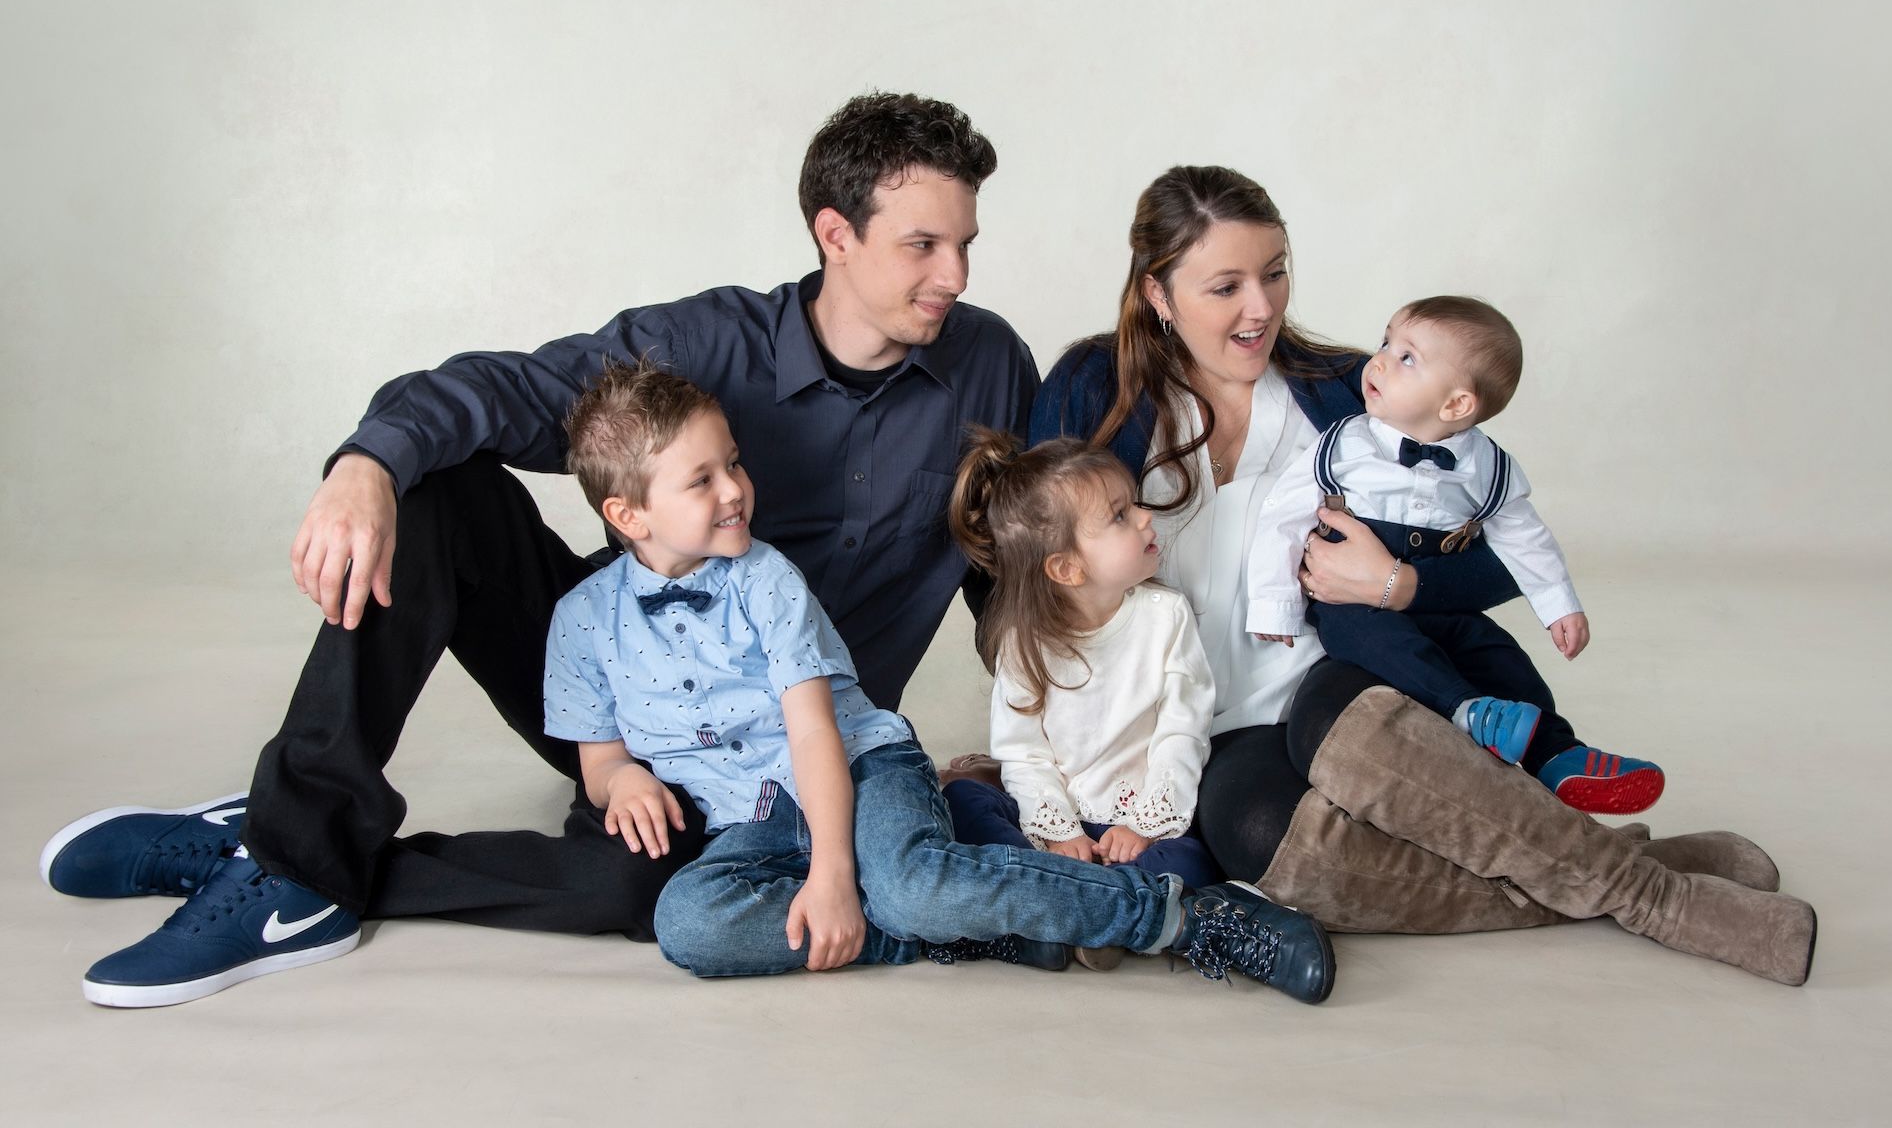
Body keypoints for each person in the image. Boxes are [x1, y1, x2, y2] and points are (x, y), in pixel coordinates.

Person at [43, 92, 1044, 1008]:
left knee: (635, 886)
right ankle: (293, 849)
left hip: (784, 753)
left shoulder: (989, 362)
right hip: (625, 686)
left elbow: (1011, 575)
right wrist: (365, 464)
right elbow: (500, 389)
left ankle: (285, 849)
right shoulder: (703, 345)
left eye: (964, 244)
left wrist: (1050, 763)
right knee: (439, 483)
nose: (953, 275)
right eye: (923, 245)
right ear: (835, 234)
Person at [1023, 164, 1816, 985]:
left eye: (1276, 271)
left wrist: (1396, 587)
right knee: (1253, 832)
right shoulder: (1093, 392)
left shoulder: (1350, 395)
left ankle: (1661, 905)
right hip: (1193, 730)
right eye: (1225, 286)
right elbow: (1032, 568)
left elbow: (1501, 551)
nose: (1262, 307)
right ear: (1159, 294)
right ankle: (1630, 872)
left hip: (1337, 680)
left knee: (1346, 723)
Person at [549, 362, 1334, 1000]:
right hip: (749, 820)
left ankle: (1186, 919)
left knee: (915, 884)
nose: (734, 489)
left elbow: (814, 729)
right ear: (629, 516)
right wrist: (619, 780)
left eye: (734, 463)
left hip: (856, 771)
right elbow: (599, 758)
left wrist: (829, 875)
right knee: (687, 924)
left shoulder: (765, 579)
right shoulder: (583, 621)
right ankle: (988, 924)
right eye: (701, 480)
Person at [1243, 294, 1663, 812]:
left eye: (1407, 358)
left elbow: (1522, 537)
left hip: (1442, 604)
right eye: (1386, 343)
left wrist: (1559, 606)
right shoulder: (1343, 444)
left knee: (1498, 653)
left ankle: (1559, 754)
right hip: (1351, 605)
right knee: (1378, 641)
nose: (1378, 361)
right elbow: (1282, 519)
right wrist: (1274, 605)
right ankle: (1465, 709)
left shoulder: (1485, 464)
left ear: (1457, 406)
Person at [940, 431, 1223, 966]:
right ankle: (1099, 910)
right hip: (1058, 832)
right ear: (1067, 568)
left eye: (1133, 503)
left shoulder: (1167, 617)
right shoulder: (1025, 644)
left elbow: (1183, 731)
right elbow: (1023, 753)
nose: (1144, 517)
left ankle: (1059, 914)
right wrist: (1061, 832)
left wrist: (1143, 826)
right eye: (1119, 515)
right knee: (962, 804)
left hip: (1134, 831)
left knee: (1194, 863)